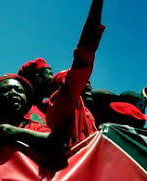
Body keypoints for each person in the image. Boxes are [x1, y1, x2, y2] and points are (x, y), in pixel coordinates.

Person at [44, 0, 105, 147]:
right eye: (83, 80)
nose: (88, 85)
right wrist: (97, 5)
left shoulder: (86, 114)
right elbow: (84, 53)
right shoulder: (64, 102)